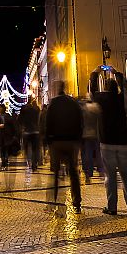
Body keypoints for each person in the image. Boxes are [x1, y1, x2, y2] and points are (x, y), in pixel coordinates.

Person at [96, 78, 127, 216]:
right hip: (123, 142)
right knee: (126, 175)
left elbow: (91, 90)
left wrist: (95, 74)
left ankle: (112, 207)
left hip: (107, 143)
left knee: (111, 176)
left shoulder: (102, 100)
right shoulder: (122, 99)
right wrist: (118, 74)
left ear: (106, 88)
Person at [43, 81, 83, 214]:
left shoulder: (53, 104)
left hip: (57, 142)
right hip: (72, 142)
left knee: (55, 172)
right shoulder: (73, 103)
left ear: (56, 89)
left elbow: (48, 123)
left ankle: (53, 202)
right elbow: (80, 121)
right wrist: (78, 139)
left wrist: (48, 141)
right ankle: (77, 203)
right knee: (73, 172)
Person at [80, 96, 102, 184]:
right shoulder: (97, 107)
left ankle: (89, 174)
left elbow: (82, 122)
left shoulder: (84, 109)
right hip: (96, 134)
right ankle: (101, 171)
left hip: (86, 134)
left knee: (88, 154)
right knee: (98, 153)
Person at [19, 98, 42, 170]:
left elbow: (20, 119)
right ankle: (34, 164)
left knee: (28, 148)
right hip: (36, 131)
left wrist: (22, 127)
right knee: (35, 148)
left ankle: (30, 162)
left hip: (27, 131)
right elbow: (39, 119)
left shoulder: (24, 109)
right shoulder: (36, 109)